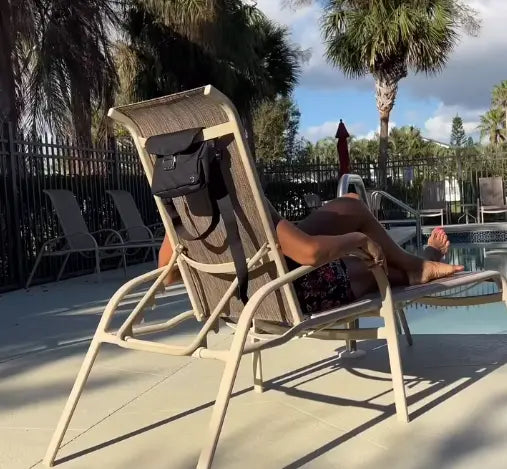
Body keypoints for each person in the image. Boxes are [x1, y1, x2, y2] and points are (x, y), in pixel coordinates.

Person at [158, 194, 462, 315]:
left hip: (249, 292)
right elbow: (310, 253)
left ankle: (418, 261)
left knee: (350, 205)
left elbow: (168, 276)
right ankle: (421, 261)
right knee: (373, 268)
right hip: (290, 293)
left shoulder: (184, 214)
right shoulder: (239, 198)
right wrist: (357, 239)